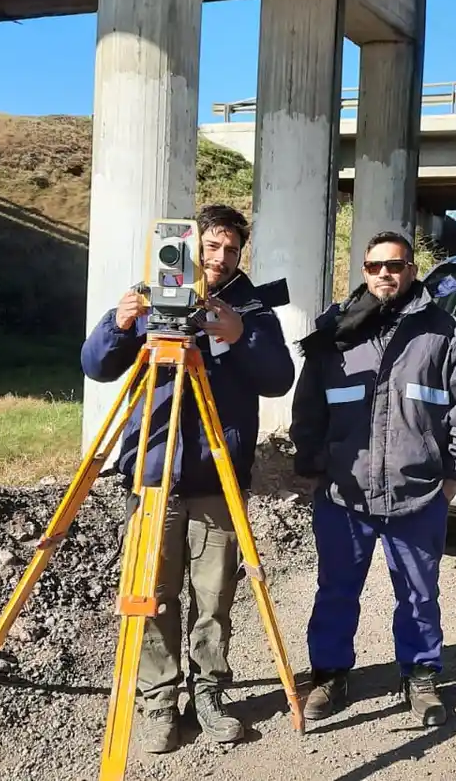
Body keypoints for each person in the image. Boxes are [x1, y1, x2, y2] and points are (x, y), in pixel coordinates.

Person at [79, 204, 295, 753]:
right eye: (211, 246)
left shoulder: (251, 309)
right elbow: (97, 365)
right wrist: (119, 323)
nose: (220, 258)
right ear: (192, 247)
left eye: (231, 250)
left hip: (217, 480)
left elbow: (278, 378)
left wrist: (241, 335)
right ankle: (158, 702)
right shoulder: (151, 294)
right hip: (155, 474)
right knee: (152, 594)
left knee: (214, 597)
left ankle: (209, 695)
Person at [288, 230, 456, 727]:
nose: (385, 274)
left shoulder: (442, 332)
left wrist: (453, 477)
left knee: (419, 595)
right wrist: (313, 466)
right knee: (335, 591)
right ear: (364, 271)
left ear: (411, 271)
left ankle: (419, 676)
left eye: (395, 265)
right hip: (344, 493)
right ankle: (329, 675)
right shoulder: (336, 330)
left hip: (417, 494)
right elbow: (308, 407)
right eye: (375, 266)